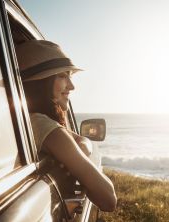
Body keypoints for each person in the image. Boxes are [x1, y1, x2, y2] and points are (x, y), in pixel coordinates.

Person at [15, 40, 117, 212]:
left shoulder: (29, 120)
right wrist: (79, 156)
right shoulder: (40, 123)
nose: (71, 85)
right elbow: (108, 199)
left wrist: (82, 147)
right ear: (41, 82)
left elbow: (79, 138)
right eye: (62, 76)